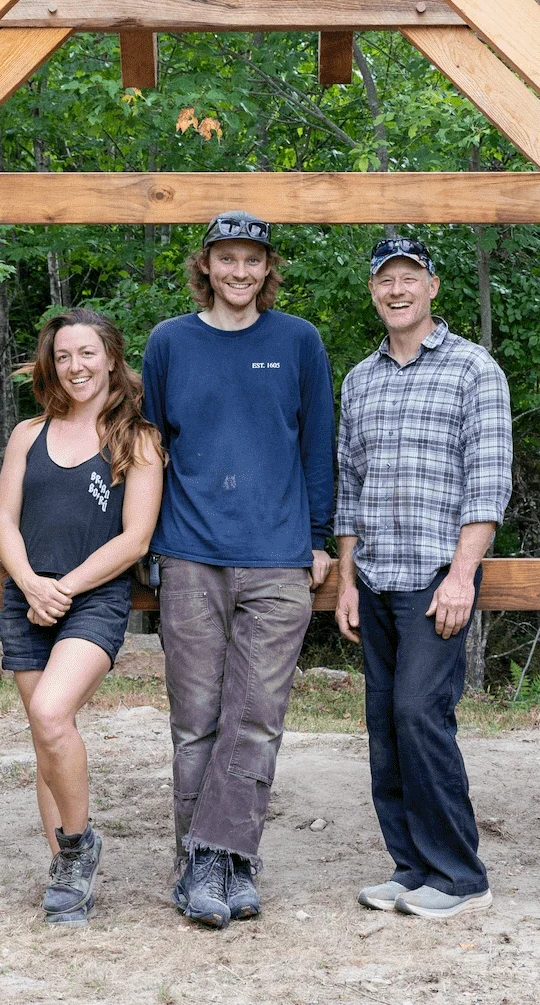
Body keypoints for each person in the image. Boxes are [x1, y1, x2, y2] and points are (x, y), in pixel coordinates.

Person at [142, 211, 336, 929]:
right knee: (195, 720)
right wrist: (147, 539)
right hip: (189, 552)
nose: (239, 271)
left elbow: (318, 444)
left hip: (278, 556)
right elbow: (152, 444)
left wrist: (318, 537)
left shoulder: (298, 341)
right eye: (226, 258)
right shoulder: (169, 341)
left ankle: (229, 859)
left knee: (256, 717)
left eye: (251, 260)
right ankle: (201, 863)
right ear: (207, 265)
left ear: (267, 268)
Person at [334, 236, 512, 920]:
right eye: (386, 279)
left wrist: (463, 574)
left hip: (438, 579)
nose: (397, 289)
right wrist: (346, 579)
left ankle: (460, 875)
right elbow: (349, 486)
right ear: (374, 289)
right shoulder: (360, 379)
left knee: (419, 713)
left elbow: (488, 479)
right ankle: (411, 867)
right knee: (384, 722)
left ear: (433, 285)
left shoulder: (473, 369)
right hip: (374, 577)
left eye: (410, 277)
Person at [0, 308, 164, 925]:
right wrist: (31, 583)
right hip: (26, 597)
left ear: (111, 358)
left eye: (87, 353)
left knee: (50, 712)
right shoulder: (27, 435)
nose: (76, 367)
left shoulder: (137, 439)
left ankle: (77, 847)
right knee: (46, 738)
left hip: (93, 599)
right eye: (64, 356)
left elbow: (135, 538)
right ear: (51, 364)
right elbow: (4, 521)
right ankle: (68, 872)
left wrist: (63, 588)